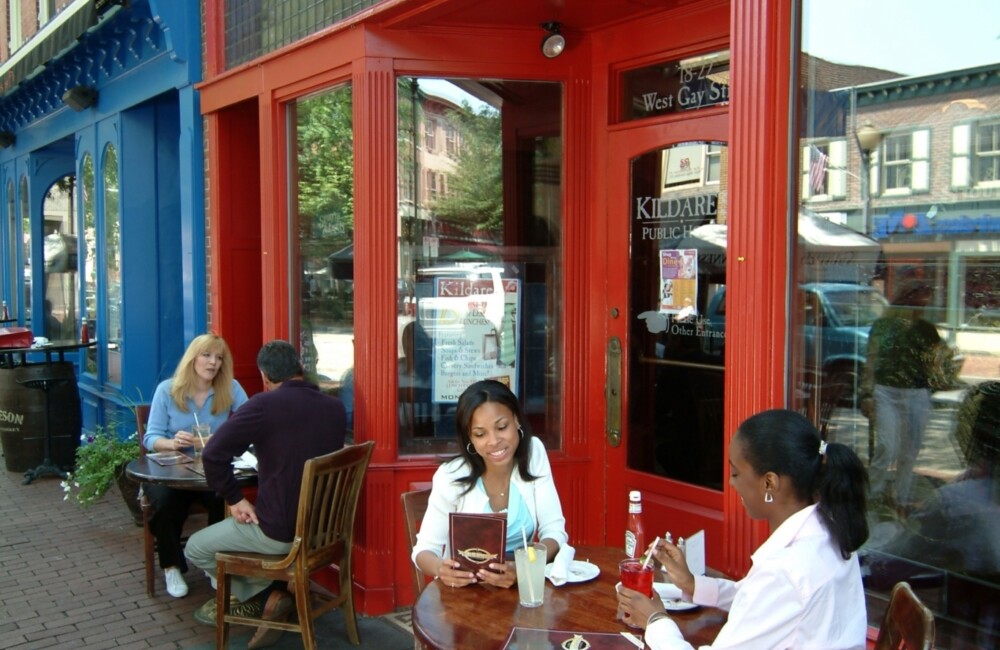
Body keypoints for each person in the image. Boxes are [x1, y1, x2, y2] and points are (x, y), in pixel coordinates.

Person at [617, 409, 869, 649]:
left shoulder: (786, 570)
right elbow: (758, 599)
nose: (730, 482)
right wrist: (693, 584)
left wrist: (655, 620)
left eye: (736, 473)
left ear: (769, 482)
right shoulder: (828, 529)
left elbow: (770, 593)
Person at [184, 340, 346, 649]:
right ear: (300, 368)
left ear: (265, 376)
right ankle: (274, 593)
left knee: (196, 548)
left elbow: (213, 455)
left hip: (282, 533)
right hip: (325, 531)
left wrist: (234, 499)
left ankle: (262, 597)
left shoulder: (262, 405)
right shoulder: (334, 407)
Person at [412, 379, 568, 589]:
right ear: (470, 438)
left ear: (517, 421)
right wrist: (441, 569)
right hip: (466, 595)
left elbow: (554, 531)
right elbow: (423, 551)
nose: (494, 441)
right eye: (480, 434)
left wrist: (523, 567)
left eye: (502, 427)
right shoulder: (450, 477)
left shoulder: (533, 452)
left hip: (522, 589)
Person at [142, 333, 249, 599]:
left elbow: (250, 426)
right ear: (193, 358)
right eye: (207, 355)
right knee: (166, 502)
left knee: (221, 498)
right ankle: (171, 565)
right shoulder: (168, 390)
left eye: (219, 357)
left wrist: (221, 441)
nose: (213, 363)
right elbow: (150, 438)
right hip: (173, 469)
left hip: (210, 469)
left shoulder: (231, 388)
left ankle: (213, 562)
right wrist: (172, 442)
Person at [861, 281, 941, 510]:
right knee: (887, 445)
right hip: (887, 391)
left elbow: (936, 363)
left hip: (917, 393)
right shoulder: (884, 326)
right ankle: (873, 495)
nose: (920, 308)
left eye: (923, 304)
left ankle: (901, 497)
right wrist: (866, 393)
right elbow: (872, 360)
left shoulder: (927, 330)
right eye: (917, 303)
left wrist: (936, 379)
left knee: (911, 449)